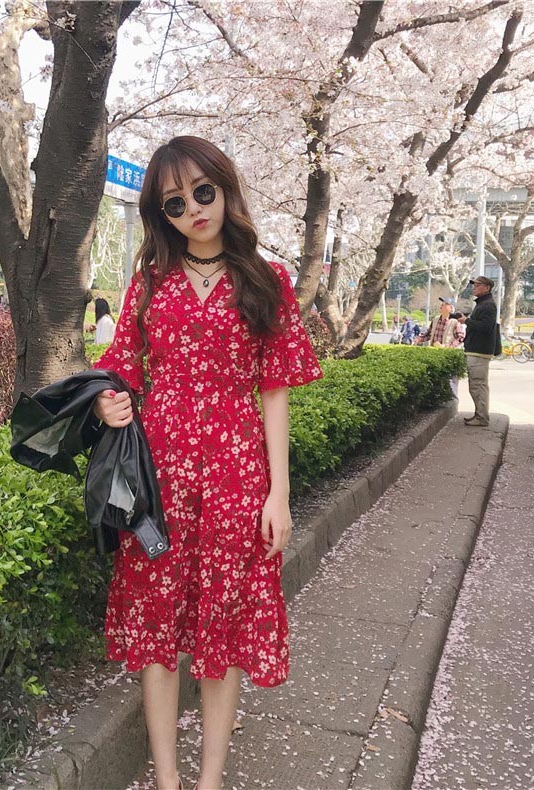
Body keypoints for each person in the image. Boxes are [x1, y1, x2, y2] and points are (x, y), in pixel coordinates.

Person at [91, 135, 323, 790]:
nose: (193, 208)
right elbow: (120, 370)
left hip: (236, 476)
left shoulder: (267, 280)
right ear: (160, 214)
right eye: (175, 202)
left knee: (223, 629)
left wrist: (278, 494)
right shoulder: (149, 282)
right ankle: (167, 779)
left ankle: (210, 780)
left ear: (224, 188)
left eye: (202, 191)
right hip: (158, 480)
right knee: (158, 632)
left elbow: (274, 392)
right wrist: (110, 401)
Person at [459, 276, 498, 427]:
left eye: (477, 285)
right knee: (476, 385)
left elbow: (485, 328)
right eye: (474, 285)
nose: (474, 287)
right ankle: (479, 415)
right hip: (476, 350)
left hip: (479, 351)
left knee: (478, 385)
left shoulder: (488, 305)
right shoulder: (483, 304)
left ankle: (482, 417)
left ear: (487, 287)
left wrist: (467, 321)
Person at [416, 297, 465, 397]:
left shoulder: (454, 322)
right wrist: (419, 339)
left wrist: (449, 347)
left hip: (448, 356)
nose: (442, 306)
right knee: (434, 381)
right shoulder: (435, 320)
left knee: (450, 382)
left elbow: (460, 337)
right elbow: (428, 334)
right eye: (442, 304)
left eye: (445, 304)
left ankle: (452, 400)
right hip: (434, 355)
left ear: (451, 308)